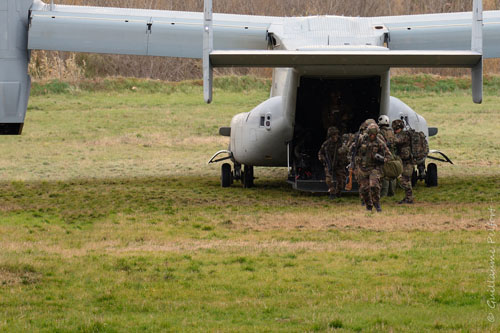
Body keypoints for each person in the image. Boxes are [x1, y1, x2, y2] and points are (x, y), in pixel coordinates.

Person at [355, 123, 392, 212]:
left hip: (374, 168)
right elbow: (353, 151)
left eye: (374, 135)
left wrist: (383, 159)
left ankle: (376, 203)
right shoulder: (361, 140)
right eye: (371, 134)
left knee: (374, 185)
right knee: (364, 189)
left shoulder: (380, 142)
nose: (372, 136)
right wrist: (354, 161)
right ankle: (369, 205)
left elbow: (389, 156)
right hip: (362, 168)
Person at [318, 126, 347, 199]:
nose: (334, 137)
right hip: (329, 164)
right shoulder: (326, 144)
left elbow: (348, 151)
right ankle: (332, 192)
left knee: (341, 181)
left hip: (339, 164)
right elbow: (320, 153)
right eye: (332, 135)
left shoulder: (342, 142)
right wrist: (323, 160)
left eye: (335, 134)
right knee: (329, 180)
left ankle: (338, 193)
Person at [392, 119, 415, 204]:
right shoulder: (402, 134)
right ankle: (408, 198)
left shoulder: (404, 135)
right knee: (406, 179)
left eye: (395, 128)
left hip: (407, 161)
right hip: (404, 161)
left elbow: (396, 141)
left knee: (405, 180)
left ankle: (409, 198)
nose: (395, 130)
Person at [378, 115, 397, 197]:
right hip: (392, 155)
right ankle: (392, 193)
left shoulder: (380, 133)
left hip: (384, 155)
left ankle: (384, 194)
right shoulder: (391, 132)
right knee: (392, 174)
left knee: (385, 174)